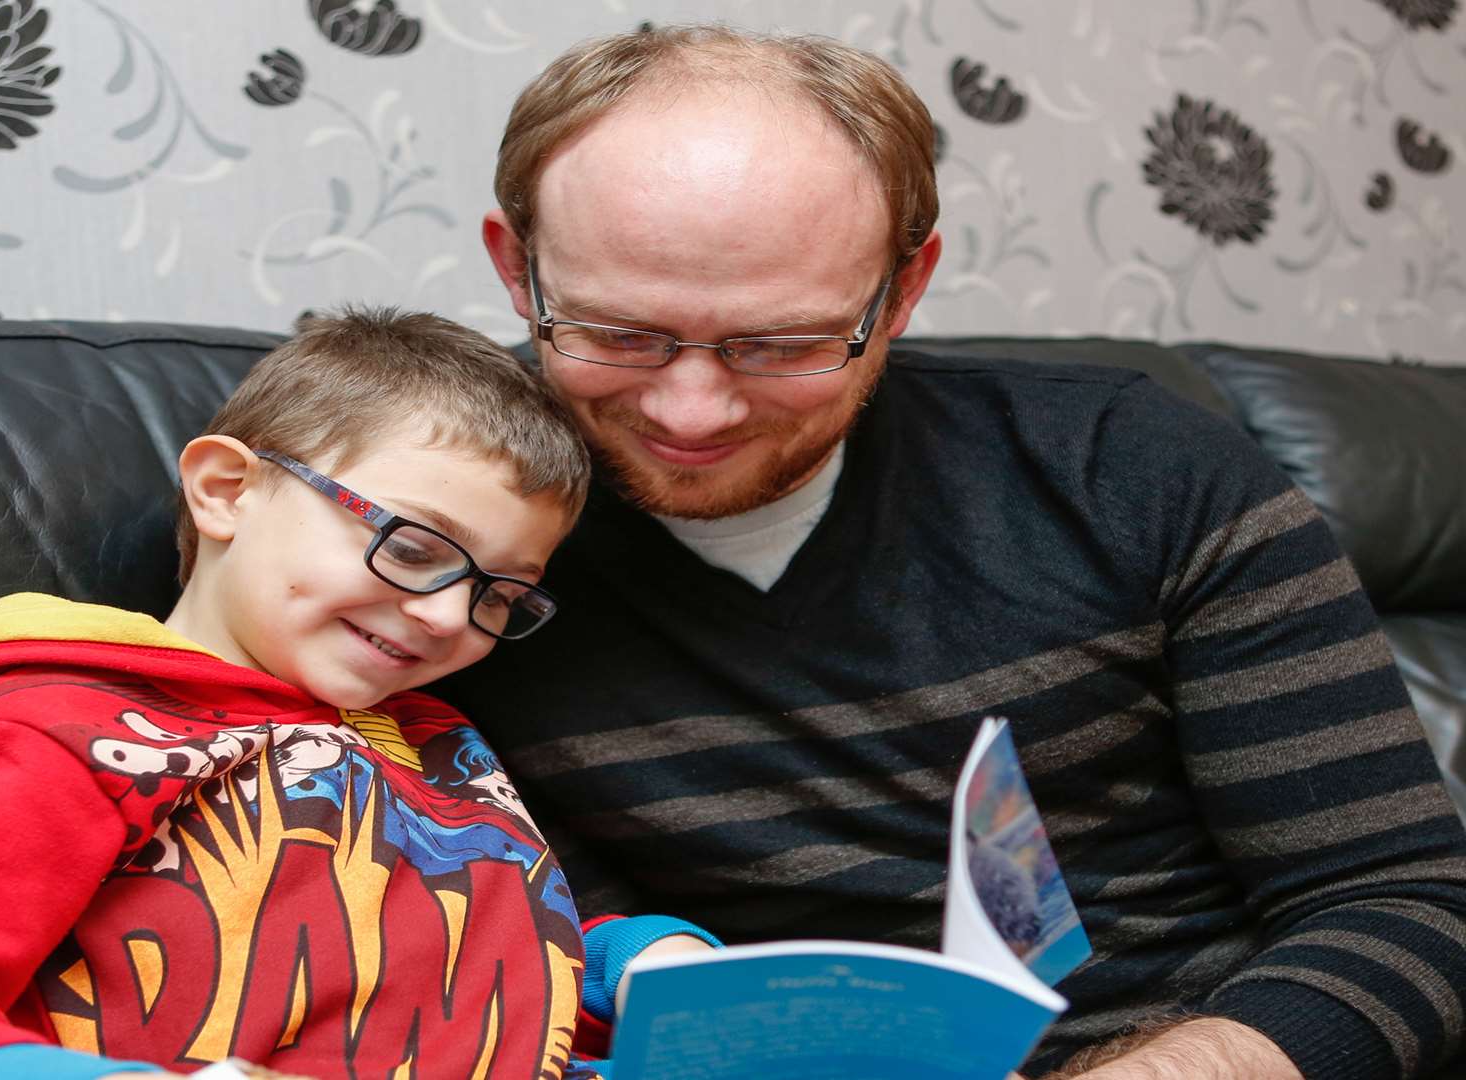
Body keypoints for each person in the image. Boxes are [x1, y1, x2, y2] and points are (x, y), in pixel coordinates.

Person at [439, 24, 1466, 1080]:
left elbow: (1408, 903)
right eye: (618, 333)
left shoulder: (1135, 472)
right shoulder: (428, 539)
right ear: (518, 270)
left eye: (783, 345)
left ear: (905, 288)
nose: (690, 409)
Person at [0, 308, 715, 1080]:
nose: (450, 617)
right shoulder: (53, 720)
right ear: (227, 490)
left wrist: (639, 964)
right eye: (412, 546)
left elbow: (467, 981)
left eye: (499, 594)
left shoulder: (433, 744)